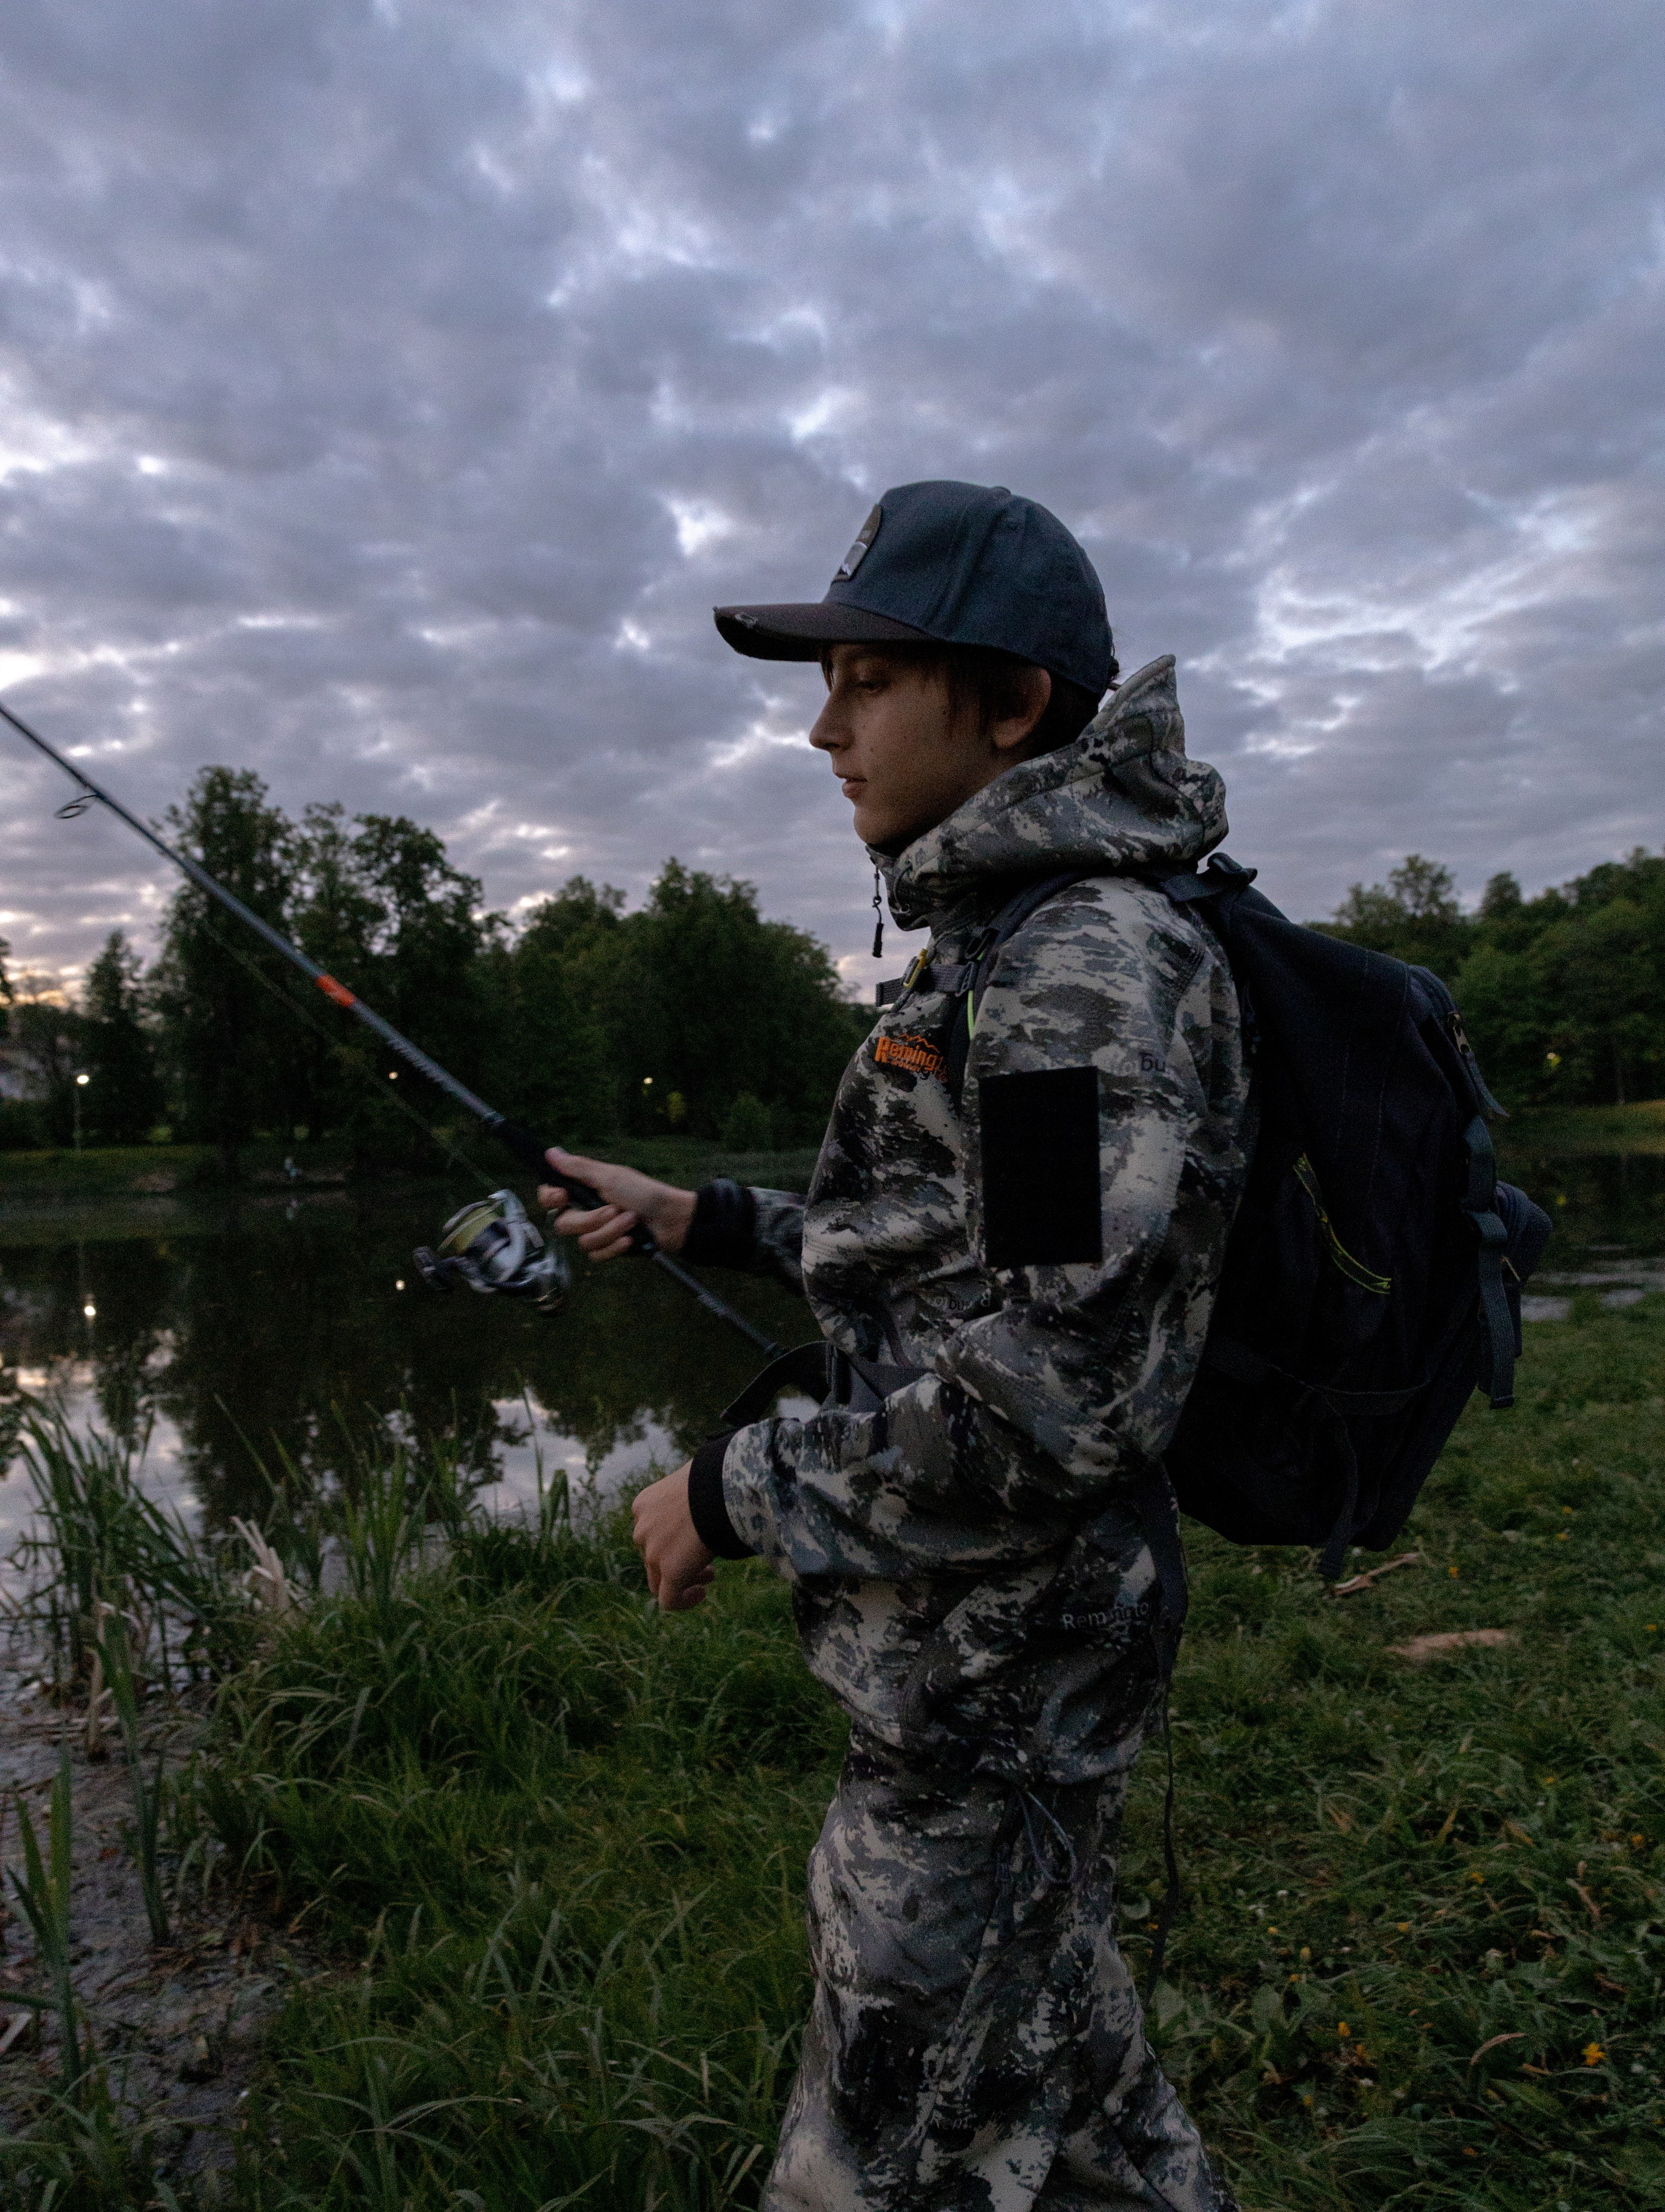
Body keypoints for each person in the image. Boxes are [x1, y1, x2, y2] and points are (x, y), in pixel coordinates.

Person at [539, 480, 1250, 2212]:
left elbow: (1056, 1406)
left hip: (995, 1695)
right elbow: (962, 1273)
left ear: (1010, 702)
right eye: (827, 676)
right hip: (990, 1683)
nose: (820, 722)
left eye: (869, 677)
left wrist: (731, 1483)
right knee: (1083, 2124)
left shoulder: (1080, 969)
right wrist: (705, 1213)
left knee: (870, 2167)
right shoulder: (1013, 942)